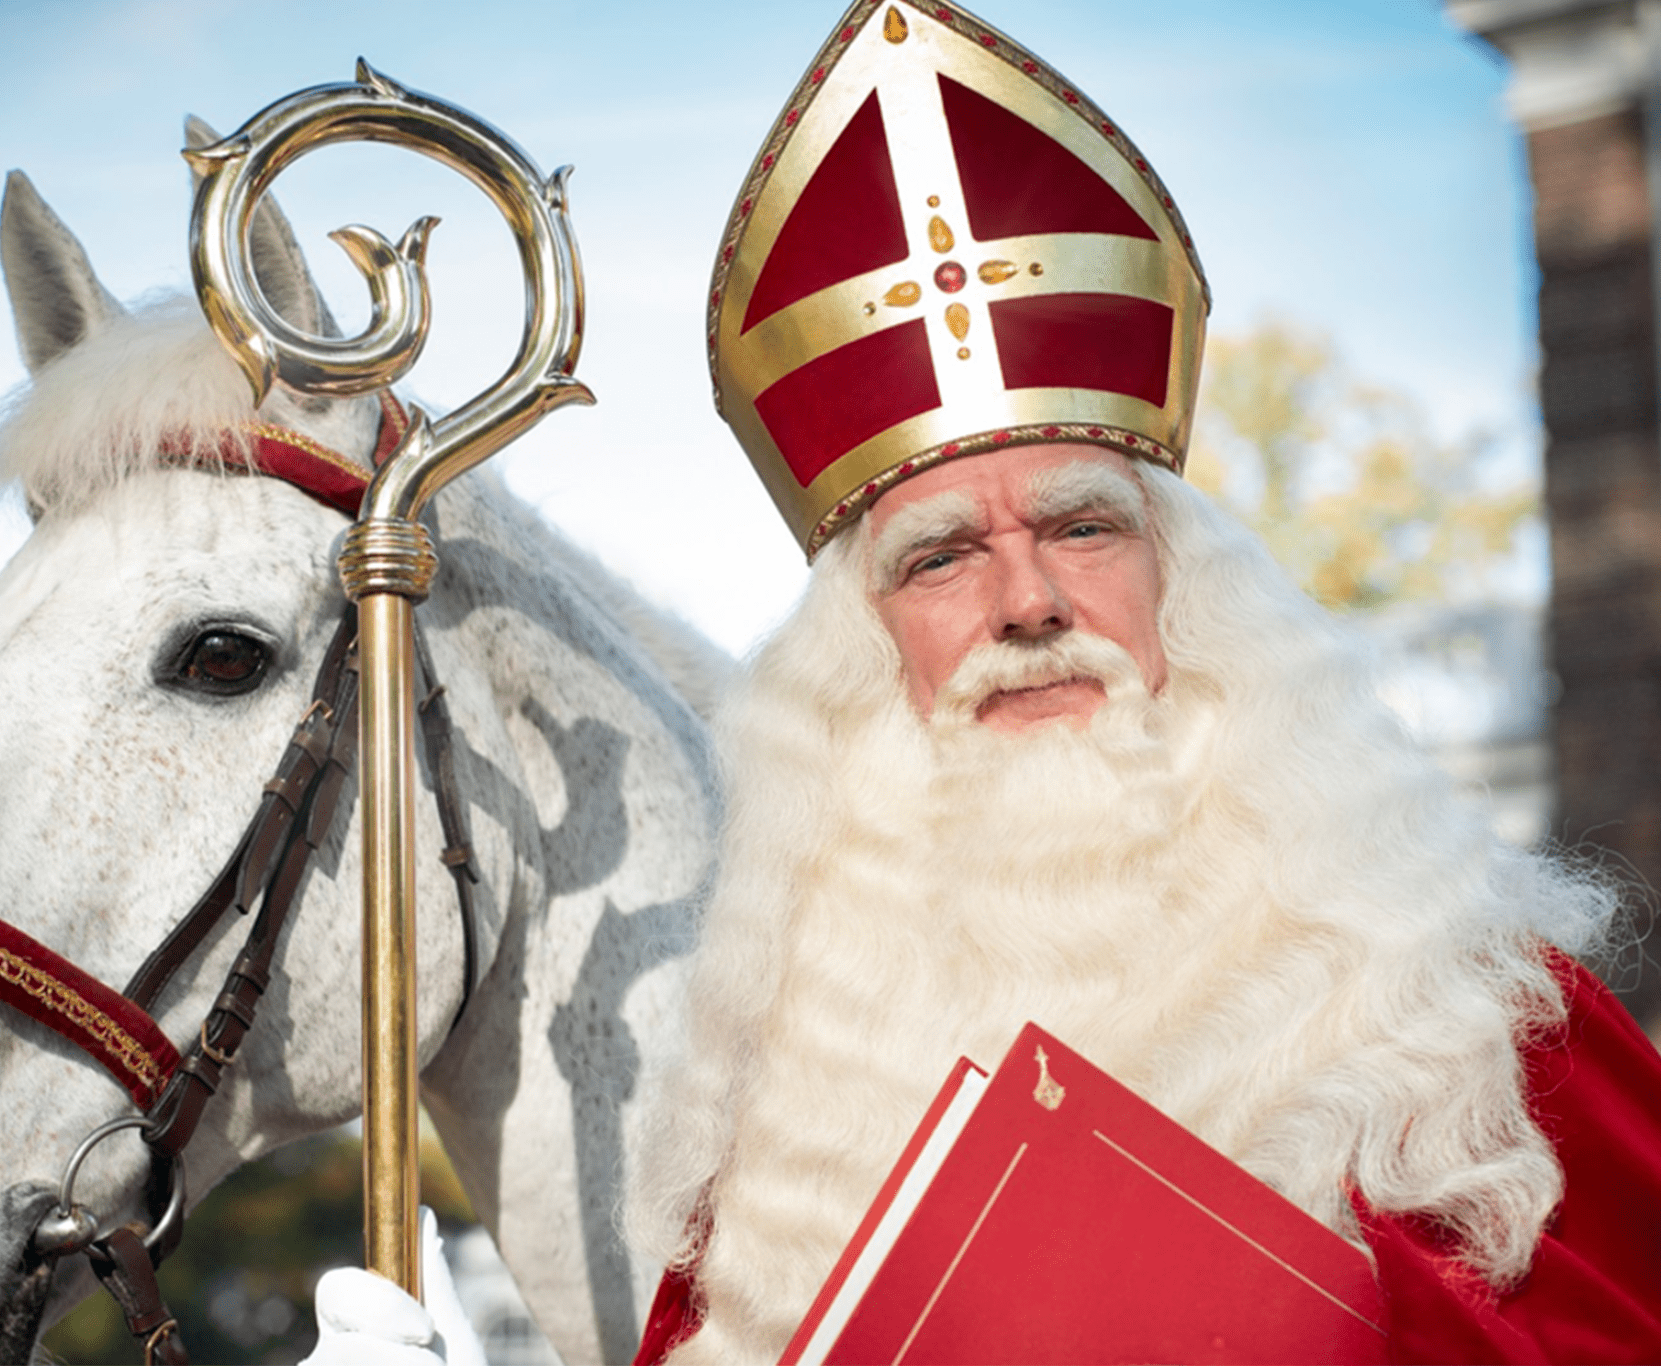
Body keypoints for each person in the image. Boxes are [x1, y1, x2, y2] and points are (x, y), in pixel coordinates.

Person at [308, 3, 1661, 1361]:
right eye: (942, 557)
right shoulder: (785, 1134)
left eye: (1082, 526)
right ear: (861, 659)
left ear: (1189, 588)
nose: (1028, 603)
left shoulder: (1480, 1025)